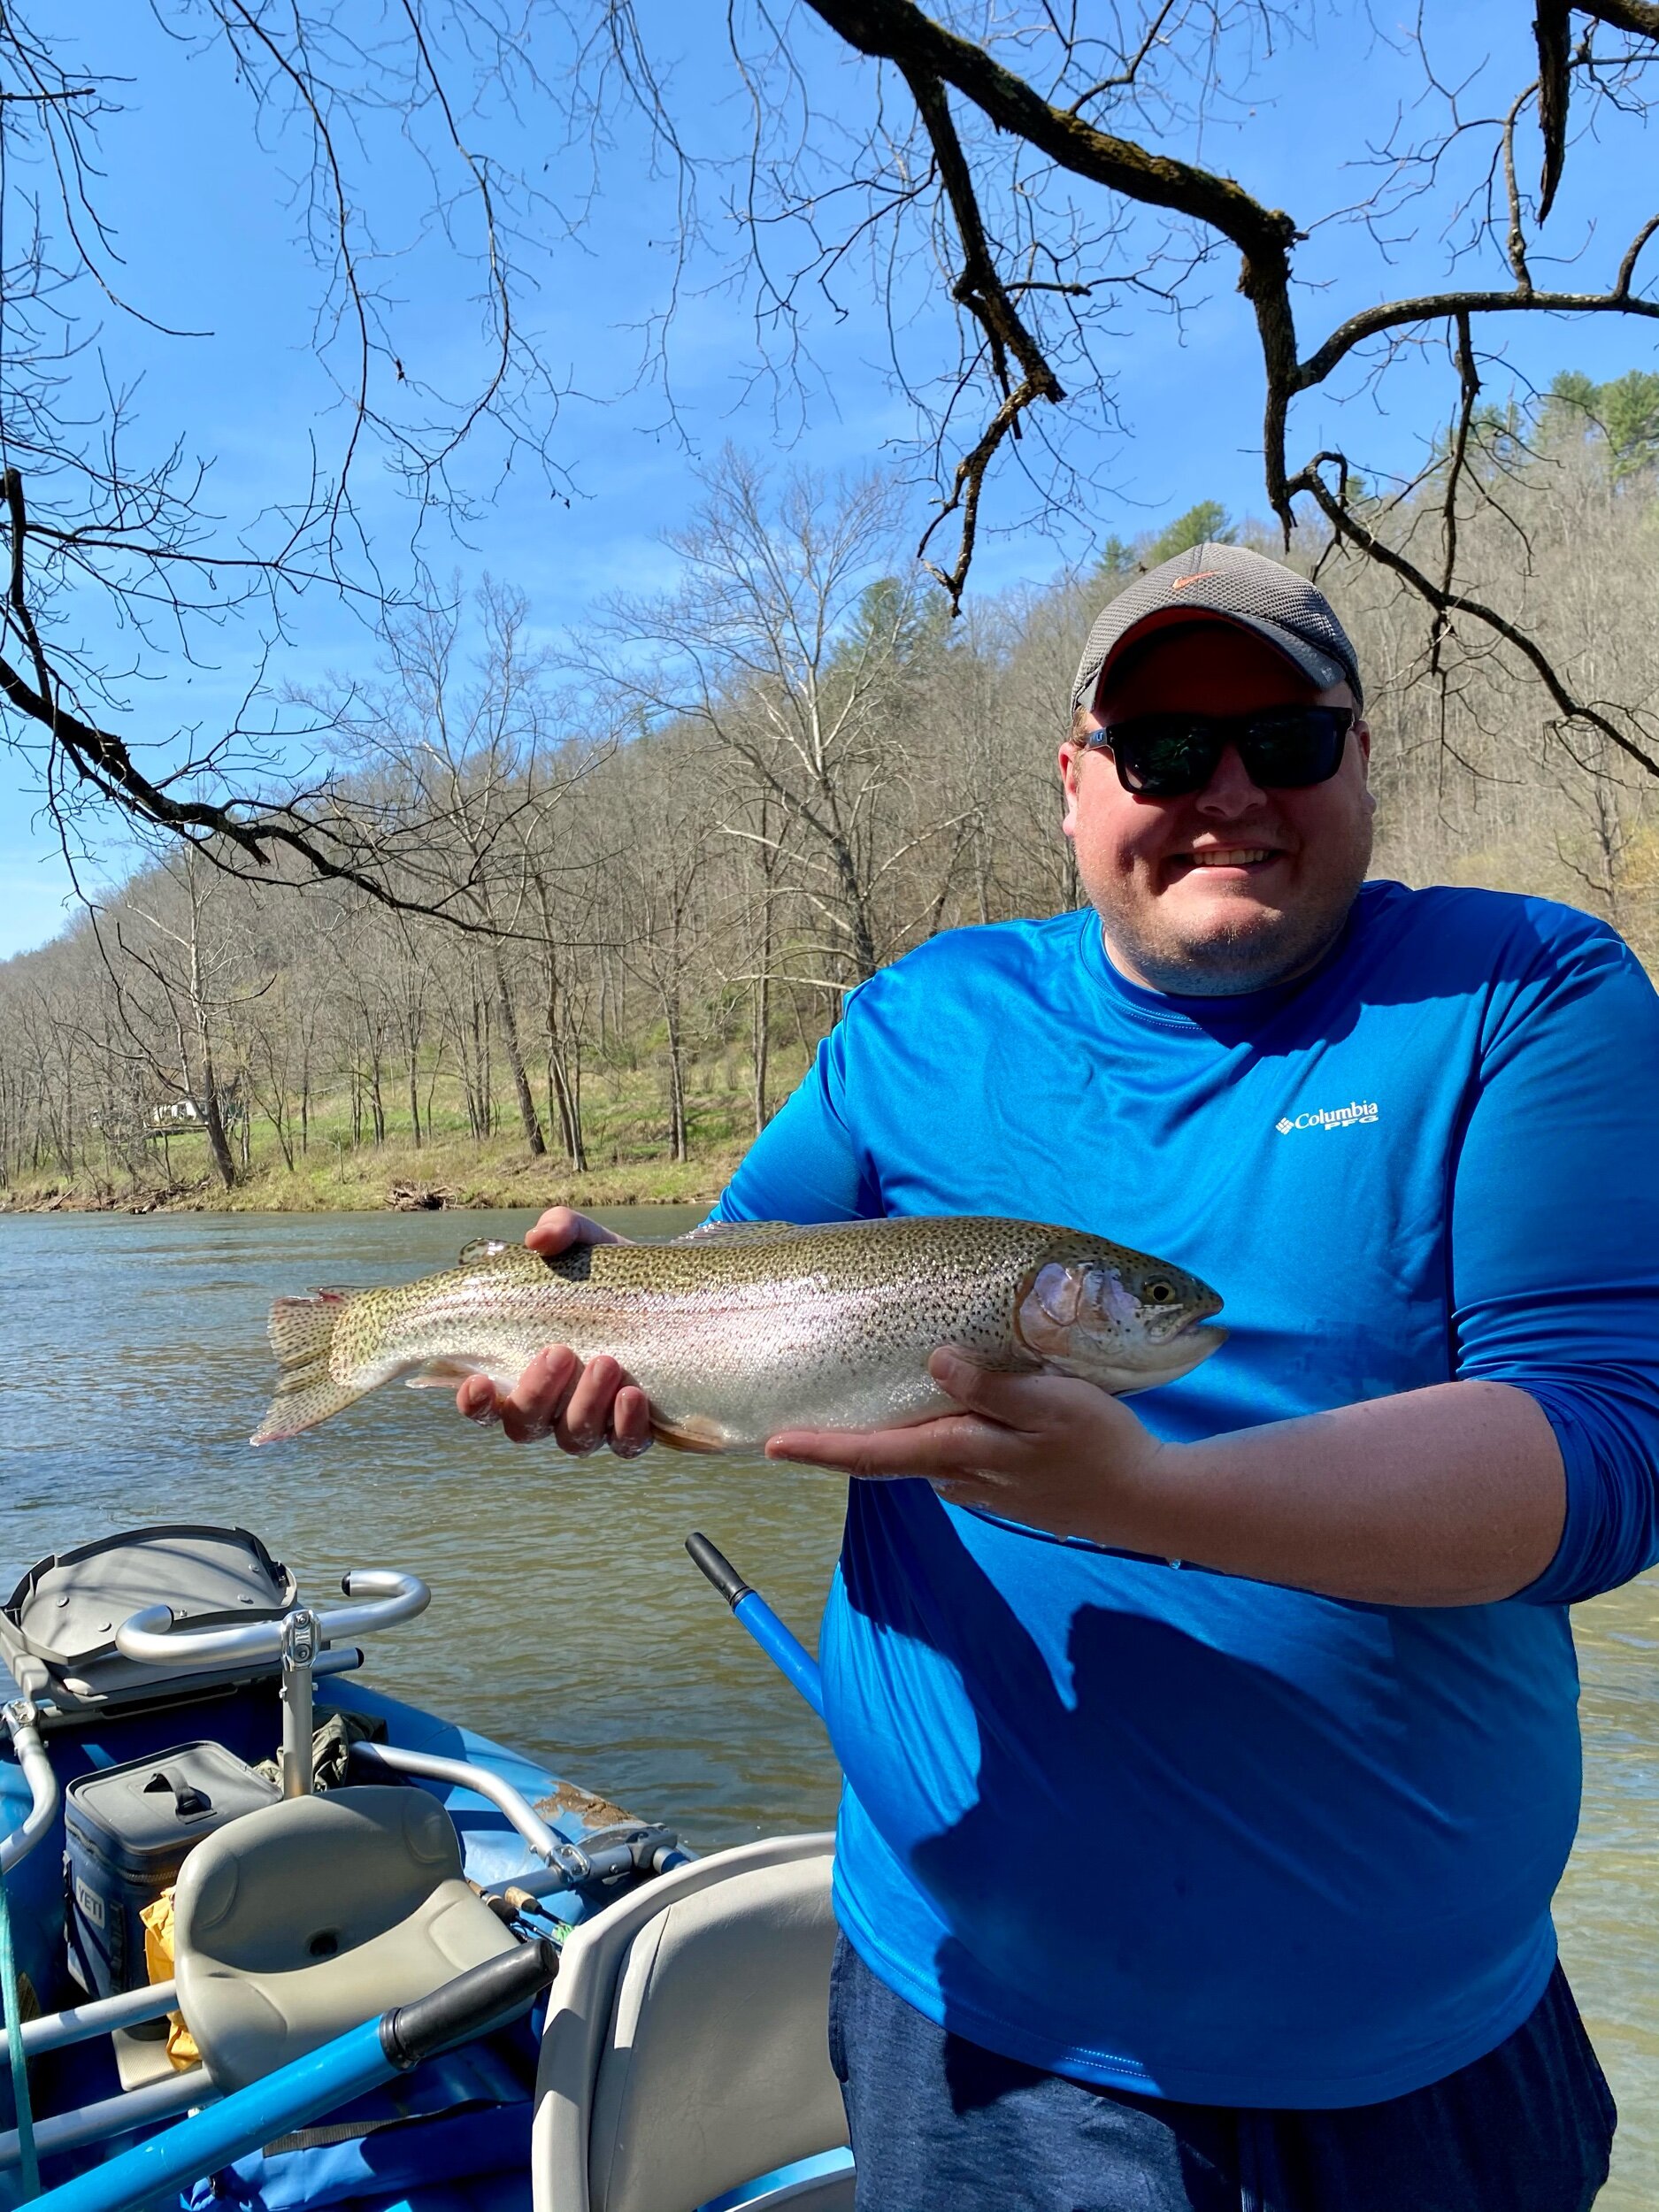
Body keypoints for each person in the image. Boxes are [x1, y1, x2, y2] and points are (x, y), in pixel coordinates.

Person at [457, 543, 1659, 2211]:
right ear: (1077, 781)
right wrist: (593, 1331)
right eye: (1167, 749)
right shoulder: (919, 1020)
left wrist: (1148, 1501)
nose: (1229, 791)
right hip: (976, 2046)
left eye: (1287, 741)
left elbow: (1605, 1454)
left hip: (1418, 2067)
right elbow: (722, 1300)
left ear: (1363, 758)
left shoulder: (1524, 993)